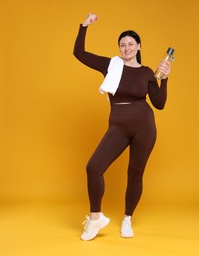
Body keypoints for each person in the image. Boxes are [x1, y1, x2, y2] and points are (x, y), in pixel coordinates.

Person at [73, 13, 171, 241]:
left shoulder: (147, 72)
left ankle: (127, 218)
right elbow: (79, 53)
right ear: (119, 48)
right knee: (94, 167)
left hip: (144, 126)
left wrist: (164, 79)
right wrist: (83, 26)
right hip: (118, 125)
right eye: (122, 44)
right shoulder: (111, 66)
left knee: (135, 174)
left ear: (138, 46)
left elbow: (159, 103)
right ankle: (95, 218)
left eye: (130, 44)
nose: (126, 48)